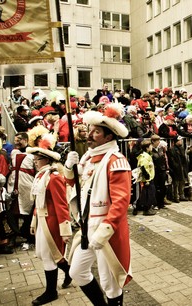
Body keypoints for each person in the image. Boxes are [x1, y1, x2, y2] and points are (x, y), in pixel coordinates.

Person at [64, 104, 132, 305]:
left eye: (96, 131)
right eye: (90, 130)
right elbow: (73, 184)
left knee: (110, 281)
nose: (90, 134)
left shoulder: (116, 160)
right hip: (87, 227)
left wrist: (105, 230)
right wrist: (69, 166)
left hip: (105, 229)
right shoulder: (87, 157)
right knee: (77, 271)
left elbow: (121, 202)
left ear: (109, 137)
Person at [27, 133, 72, 305]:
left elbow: (61, 205)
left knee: (49, 255)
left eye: (38, 159)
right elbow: (38, 203)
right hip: (41, 221)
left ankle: (51, 291)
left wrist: (65, 230)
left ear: (46, 159)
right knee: (46, 254)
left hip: (52, 222)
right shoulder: (40, 176)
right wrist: (34, 221)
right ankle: (69, 272)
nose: (35, 162)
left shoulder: (53, 178)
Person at [7, 132, 35, 250]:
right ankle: (15, 235)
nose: (16, 142)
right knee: (12, 212)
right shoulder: (13, 153)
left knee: (28, 214)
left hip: (27, 187)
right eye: (15, 140)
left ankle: (29, 237)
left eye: (18, 140)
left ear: (25, 140)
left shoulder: (33, 153)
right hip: (14, 186)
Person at [134, 140, 157, 216]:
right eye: (150, 146)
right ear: (147, 148)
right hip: (147, 179)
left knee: (148, 193)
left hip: (150, 178)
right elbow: (143, 167)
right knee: (148, 194)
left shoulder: (148, 155)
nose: (151, 147)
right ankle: (146, 209)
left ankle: (144, 207)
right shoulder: (144, 156)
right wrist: (147, 177)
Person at [150, 135, 169, 209]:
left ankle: (161, 203)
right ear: (153, 142)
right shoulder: (151, 151)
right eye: (157, 141)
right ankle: (155, 204)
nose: (159, 142)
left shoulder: (161, 149)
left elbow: (165, 159)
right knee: (156, 188)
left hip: (162, 170)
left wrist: (166, 168)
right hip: (155, 171)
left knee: (163, 187)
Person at [168, 136, 189, 202]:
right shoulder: (172, 149)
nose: (181, 141)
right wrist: (176, 166)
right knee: (176, 183)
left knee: (182, 182)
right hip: (176, 168)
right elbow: (172, 160)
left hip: (182, 167)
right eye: (179, 140)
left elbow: (183, 158)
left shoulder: (181, 148)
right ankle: (176, 196)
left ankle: (181, 195)